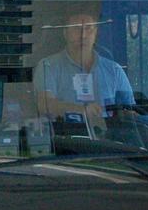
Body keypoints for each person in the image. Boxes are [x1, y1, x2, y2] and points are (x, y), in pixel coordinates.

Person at [34, 7, 134, 135]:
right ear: (65, 32)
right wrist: (82, 110)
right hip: (65, 144)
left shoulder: (114, 70)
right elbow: (44, 104)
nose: (83, 35)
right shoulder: (48, 66)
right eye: (76, 28)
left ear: (96, 33)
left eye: (88, 28)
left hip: (110, 145)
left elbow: (129, 109)